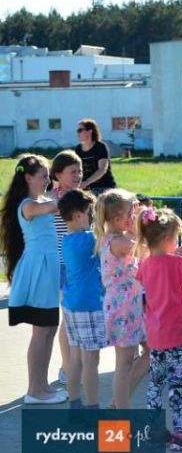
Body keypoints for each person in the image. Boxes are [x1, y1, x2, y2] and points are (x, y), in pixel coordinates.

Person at [136, 206, 182, 451]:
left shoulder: (145, 265)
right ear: (167, 239)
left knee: (156, 382)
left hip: (156, 335)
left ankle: (155, 431)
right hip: (176, 334)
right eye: (176, 237)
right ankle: (180, 433)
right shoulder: (177, 263)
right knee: (176, 384)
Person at [1, 154, 67, 404]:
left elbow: (51, 203)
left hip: (48, 270)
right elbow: (52, 206)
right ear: (28, 178)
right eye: (43, 176)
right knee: (41, 331)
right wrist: (67, 195)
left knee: (49, 329)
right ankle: (34, 391)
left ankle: (42, 386)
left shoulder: (40, 200)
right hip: (38, 271)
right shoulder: (28, 205)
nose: (47, 180)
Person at [95, 189, 148, 409]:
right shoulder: (118, 241)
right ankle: (121, 415)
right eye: (131, 212)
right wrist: (140, 229)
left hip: (132, 306)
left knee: (152, 350)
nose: (135, 214)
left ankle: (118, 402)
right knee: (124, 364)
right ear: (118, 219)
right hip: (123, 308)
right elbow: (147, 251)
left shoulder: (122, 237)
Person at [58, 189, 106, 409]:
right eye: (90, 213)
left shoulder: (68, 240)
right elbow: (108, 237)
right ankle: (93, 408)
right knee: (91, 361)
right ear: (78, 215)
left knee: (75, 357)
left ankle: (75, 404)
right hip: (89, 305)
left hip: (71, 304)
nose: (93, 217)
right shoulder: (88, 239)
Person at [50, 149, 85, 386]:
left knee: (79, 317)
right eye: (73, 172)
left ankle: (76, 365)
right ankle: (67, 367)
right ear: (58, 175)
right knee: (68, 317)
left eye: (80, 171)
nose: (78, 175)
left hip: (82, 267)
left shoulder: (83, 198)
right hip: (63, 266)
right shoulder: (50, 200)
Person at [74, 118, 117, 194]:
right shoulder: (78, 149)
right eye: (77, 130)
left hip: (104, 187)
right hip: (86, 188)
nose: (78, 133)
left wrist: (86, 182)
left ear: (90, 131)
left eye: (80, 130)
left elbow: (102, 169)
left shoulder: (100, 147)